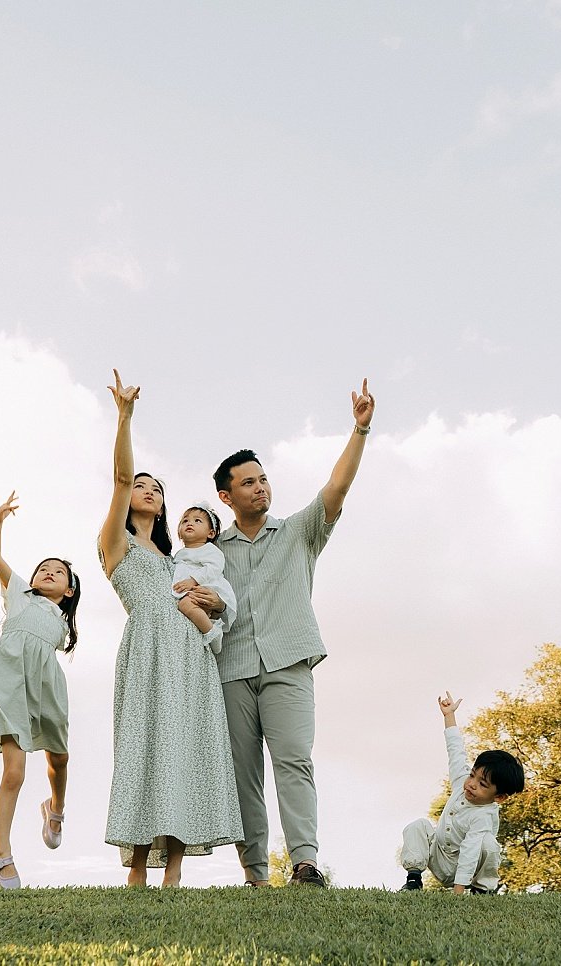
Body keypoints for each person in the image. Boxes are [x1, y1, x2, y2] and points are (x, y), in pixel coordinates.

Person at [213, 378, 375, 887]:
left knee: (294, 762)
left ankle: (304, 863)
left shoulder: (301, 531)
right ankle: (256, 874)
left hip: (288, 663)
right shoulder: (212, 551)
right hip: (231, 670)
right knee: (244, 777)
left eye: (264, 479)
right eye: (248, 482)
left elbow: (338, 486)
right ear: (226, 495)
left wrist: (360, 429)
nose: (261, 487)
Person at [99, 370, 242, 887]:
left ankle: (174, 873)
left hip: (192, 655)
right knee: (143, 748)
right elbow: (119, 480)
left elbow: (215, 599)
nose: (149, 490)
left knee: (187, 748)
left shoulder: (177, 556)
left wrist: (211, 607)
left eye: (157, 488)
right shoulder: (116, 542)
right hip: (148, 650)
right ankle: (137, 869)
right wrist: (124, 416)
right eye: (143, 484)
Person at [0, 491, 80, 890]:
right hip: (8, 681)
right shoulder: (20, 593)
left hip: (46, 686)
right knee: (14, 772)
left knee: (60, 758)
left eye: (59, 572)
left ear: (69, 591)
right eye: (44, 569)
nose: (50, 573)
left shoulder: (60, 621)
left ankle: (55, 808)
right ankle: (1, 854)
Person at [398, 692, 524, 894]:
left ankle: (481, 890)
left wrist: (458, 891)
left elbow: (470, 851)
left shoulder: (484, 815)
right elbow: (456, 750)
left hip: (463, 866)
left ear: (499, 797)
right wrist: (449, 716)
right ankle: (413, 881)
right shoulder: (462, 782)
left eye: (482, 784)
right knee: (418, 826)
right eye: (472, 775)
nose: (471, 784)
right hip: (438, 855)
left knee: (488, 844)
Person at [170, 503, 237, 655]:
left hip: (207, 586)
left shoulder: (210, 550)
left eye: (197, 521)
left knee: (186, 605)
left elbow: (214, 568)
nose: (190, 523)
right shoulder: (179, 554)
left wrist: (193, 580)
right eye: (185, 521)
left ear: (211, 533)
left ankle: (213, 633)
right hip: (189, 590)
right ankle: (207, 623)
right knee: (187, 607)